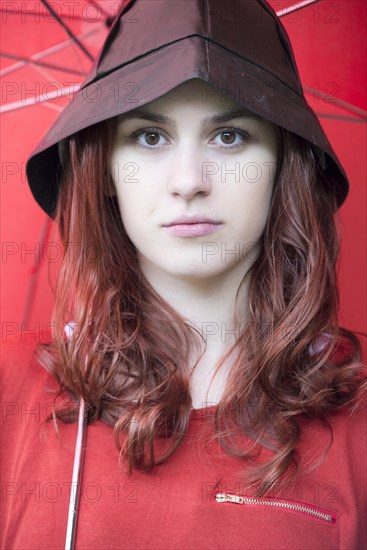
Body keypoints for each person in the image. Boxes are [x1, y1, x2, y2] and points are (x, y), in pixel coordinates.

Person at [1, 0, 366, 549]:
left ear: (280, 167)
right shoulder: (9, 386)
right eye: (150, 137)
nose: (189, 180)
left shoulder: (359, 409)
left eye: (229, 136)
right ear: (106, 172)